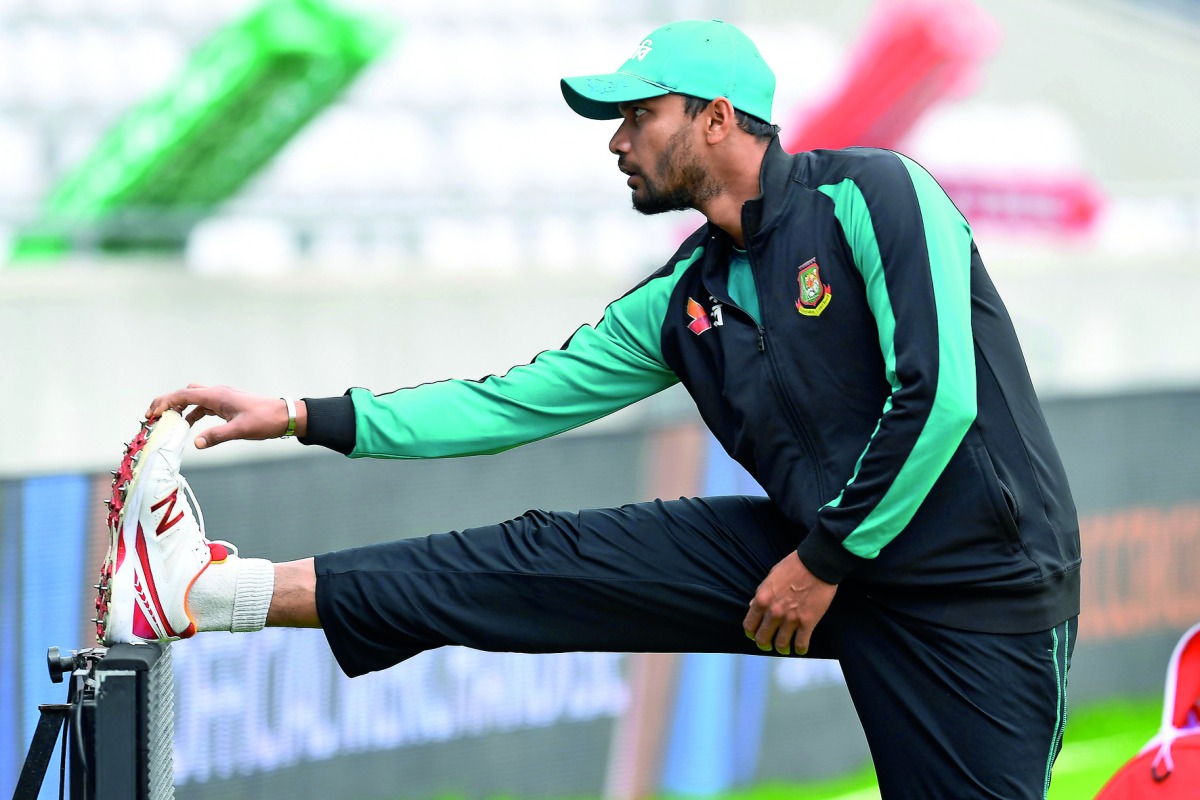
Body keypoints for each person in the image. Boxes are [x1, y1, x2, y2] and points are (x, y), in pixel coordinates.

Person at [97, 19, 1081, 798]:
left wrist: (821, 563)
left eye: (636, 115)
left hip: (976, 587)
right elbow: (509, 402)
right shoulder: (681, 298)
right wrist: (305, 412)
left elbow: (939, 396)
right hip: (810, 551)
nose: (616, 141)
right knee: (538, 556)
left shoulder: (874, 191)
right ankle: (207, 591)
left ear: (715, 118)